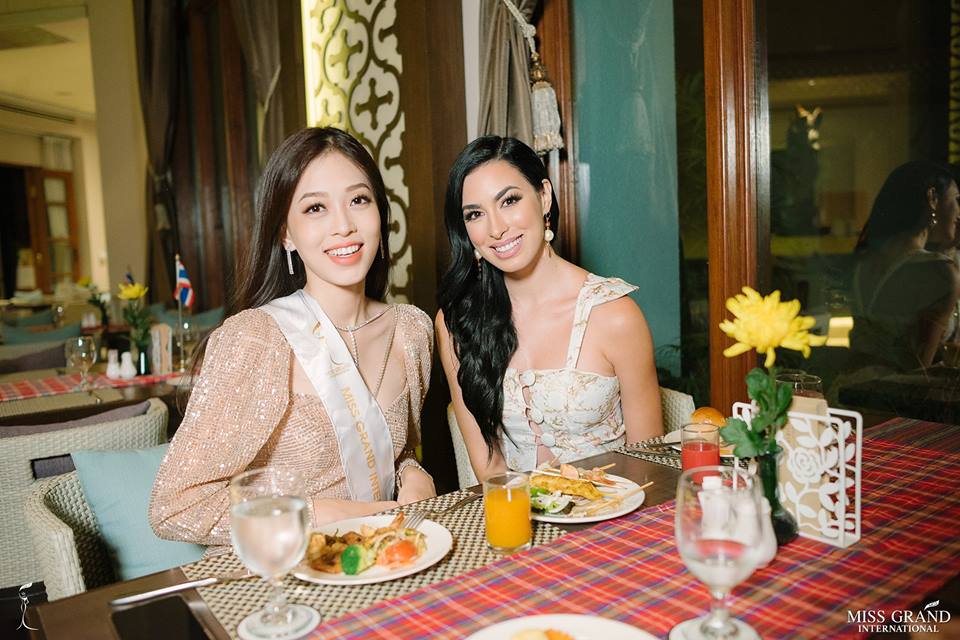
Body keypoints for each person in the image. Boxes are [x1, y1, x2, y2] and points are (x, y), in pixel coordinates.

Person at [150, 127, 435, 550]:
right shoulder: (255, 340)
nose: (343, 226)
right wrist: (317, 514)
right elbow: (173, 507)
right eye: (316, 208)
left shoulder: (412, 331)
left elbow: (389, 451)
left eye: (359, 200)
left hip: (380, 556)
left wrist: (413, 473)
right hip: (279, 569)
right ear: (286, 234)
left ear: (381, 213)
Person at [436, 136, 662, 481]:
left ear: (544, 196)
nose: (496, 228)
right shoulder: (457, 322)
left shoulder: (615, 316)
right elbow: (490, 471)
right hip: (515, 510)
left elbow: (649, 465)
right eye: (475, 214)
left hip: (617, 509)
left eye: (509, 200)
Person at [846, 160, 960, 374]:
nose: (959, 212)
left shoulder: (865, 261)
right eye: (956, 199)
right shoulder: (940, 272)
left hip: (848, 385)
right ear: (932, 198)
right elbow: (917, 373)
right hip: (896, 393)